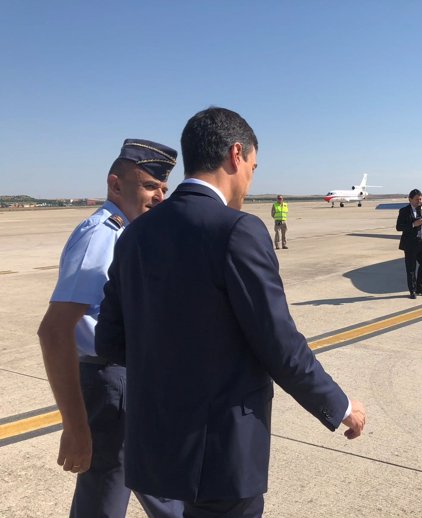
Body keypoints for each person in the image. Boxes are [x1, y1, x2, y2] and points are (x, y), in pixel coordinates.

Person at [95, 107, 366, 518]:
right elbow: (279, 343)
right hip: (222, 452)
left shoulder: (133, 235)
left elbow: (110, 340)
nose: (250, 179)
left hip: (159, 446)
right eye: (253, 167)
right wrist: (340, 405)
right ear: (235, 155)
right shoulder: (237, 229)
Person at [37, 139, 183, 518]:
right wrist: (75, 426)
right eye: (150, 186)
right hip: (110, 385)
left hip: (131, 381)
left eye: (164, 189)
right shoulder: (102, 235)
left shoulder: (129, 233)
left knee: (160, 486)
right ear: (116, 185)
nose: (159, 197)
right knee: (106, 497)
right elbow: (54, 331)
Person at [396, 189, 422, 299]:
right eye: (417, 199)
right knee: (411, 269)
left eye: (420, 199)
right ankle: (412, 291)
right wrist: (414, 224)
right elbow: (399, 227)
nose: (419, 201)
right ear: (410, 200)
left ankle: (420, 288)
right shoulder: (404, 211)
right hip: (411, 244)